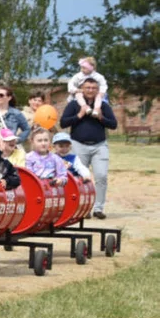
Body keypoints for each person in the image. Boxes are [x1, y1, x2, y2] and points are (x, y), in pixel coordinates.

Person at [59, 77, 117, 219]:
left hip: (99, 145)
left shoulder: (103, 105)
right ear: (82, 89)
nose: (90, 90)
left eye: (93, 88)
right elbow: (63, 123)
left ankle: (98, 208)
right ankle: (83, 208)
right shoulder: (74, 104)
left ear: (98, 90)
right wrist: (79, 115)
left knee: (101, 176)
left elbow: (114, 124)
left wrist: (101, 118)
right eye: (87, 88)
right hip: (78, 145)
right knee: (79, 178)